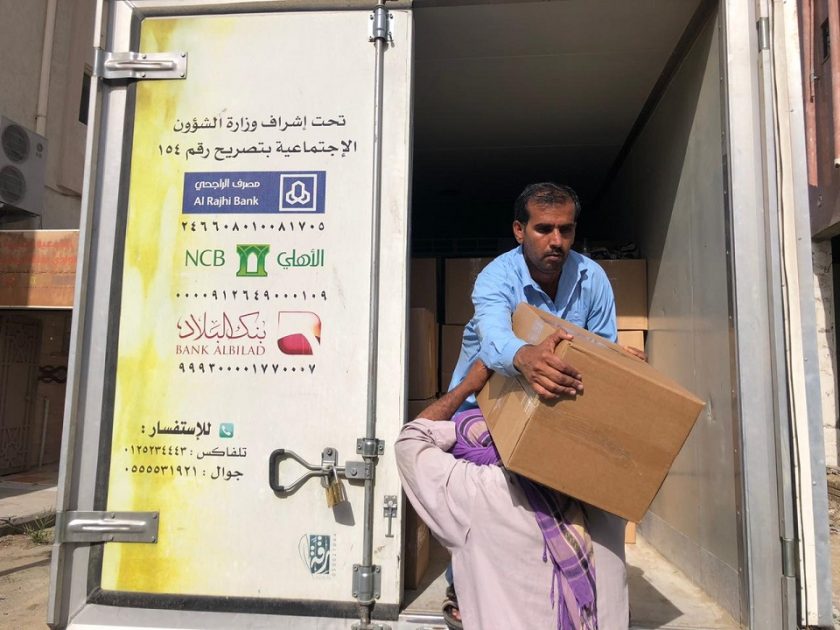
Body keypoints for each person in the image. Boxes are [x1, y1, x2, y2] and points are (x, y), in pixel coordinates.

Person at [441, 182, 642, 626]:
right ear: (519, 230)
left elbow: (600, 345)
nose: (556, 241)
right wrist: (525, 357)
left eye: (566, 230)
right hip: (487, 400)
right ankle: (461, 586)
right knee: (485, 501)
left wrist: (619, 367)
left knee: (583, 491)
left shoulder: (592, 278)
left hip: (556, 399)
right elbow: (494, 338)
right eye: (544, 229)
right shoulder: (496, 277)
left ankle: (577, 586)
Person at [396, 360, 629, 630]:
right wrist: (617, 379)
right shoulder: (610, 497)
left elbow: (410, 442)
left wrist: (468, 387)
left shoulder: (482, 495)